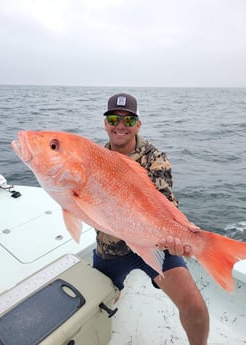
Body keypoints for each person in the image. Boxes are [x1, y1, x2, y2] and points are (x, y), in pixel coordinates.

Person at [93, 93, 209, 345]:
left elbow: (164, 203)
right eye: (113, 119)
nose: (120, 126)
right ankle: (117, 287)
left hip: (155, 243)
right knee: (101, 301)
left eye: (128, 119)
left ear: (138, 123)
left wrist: (180, 233)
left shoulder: (154, 157)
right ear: (105, 123)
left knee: (194, 307)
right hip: (110, 247)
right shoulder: (94, 157)